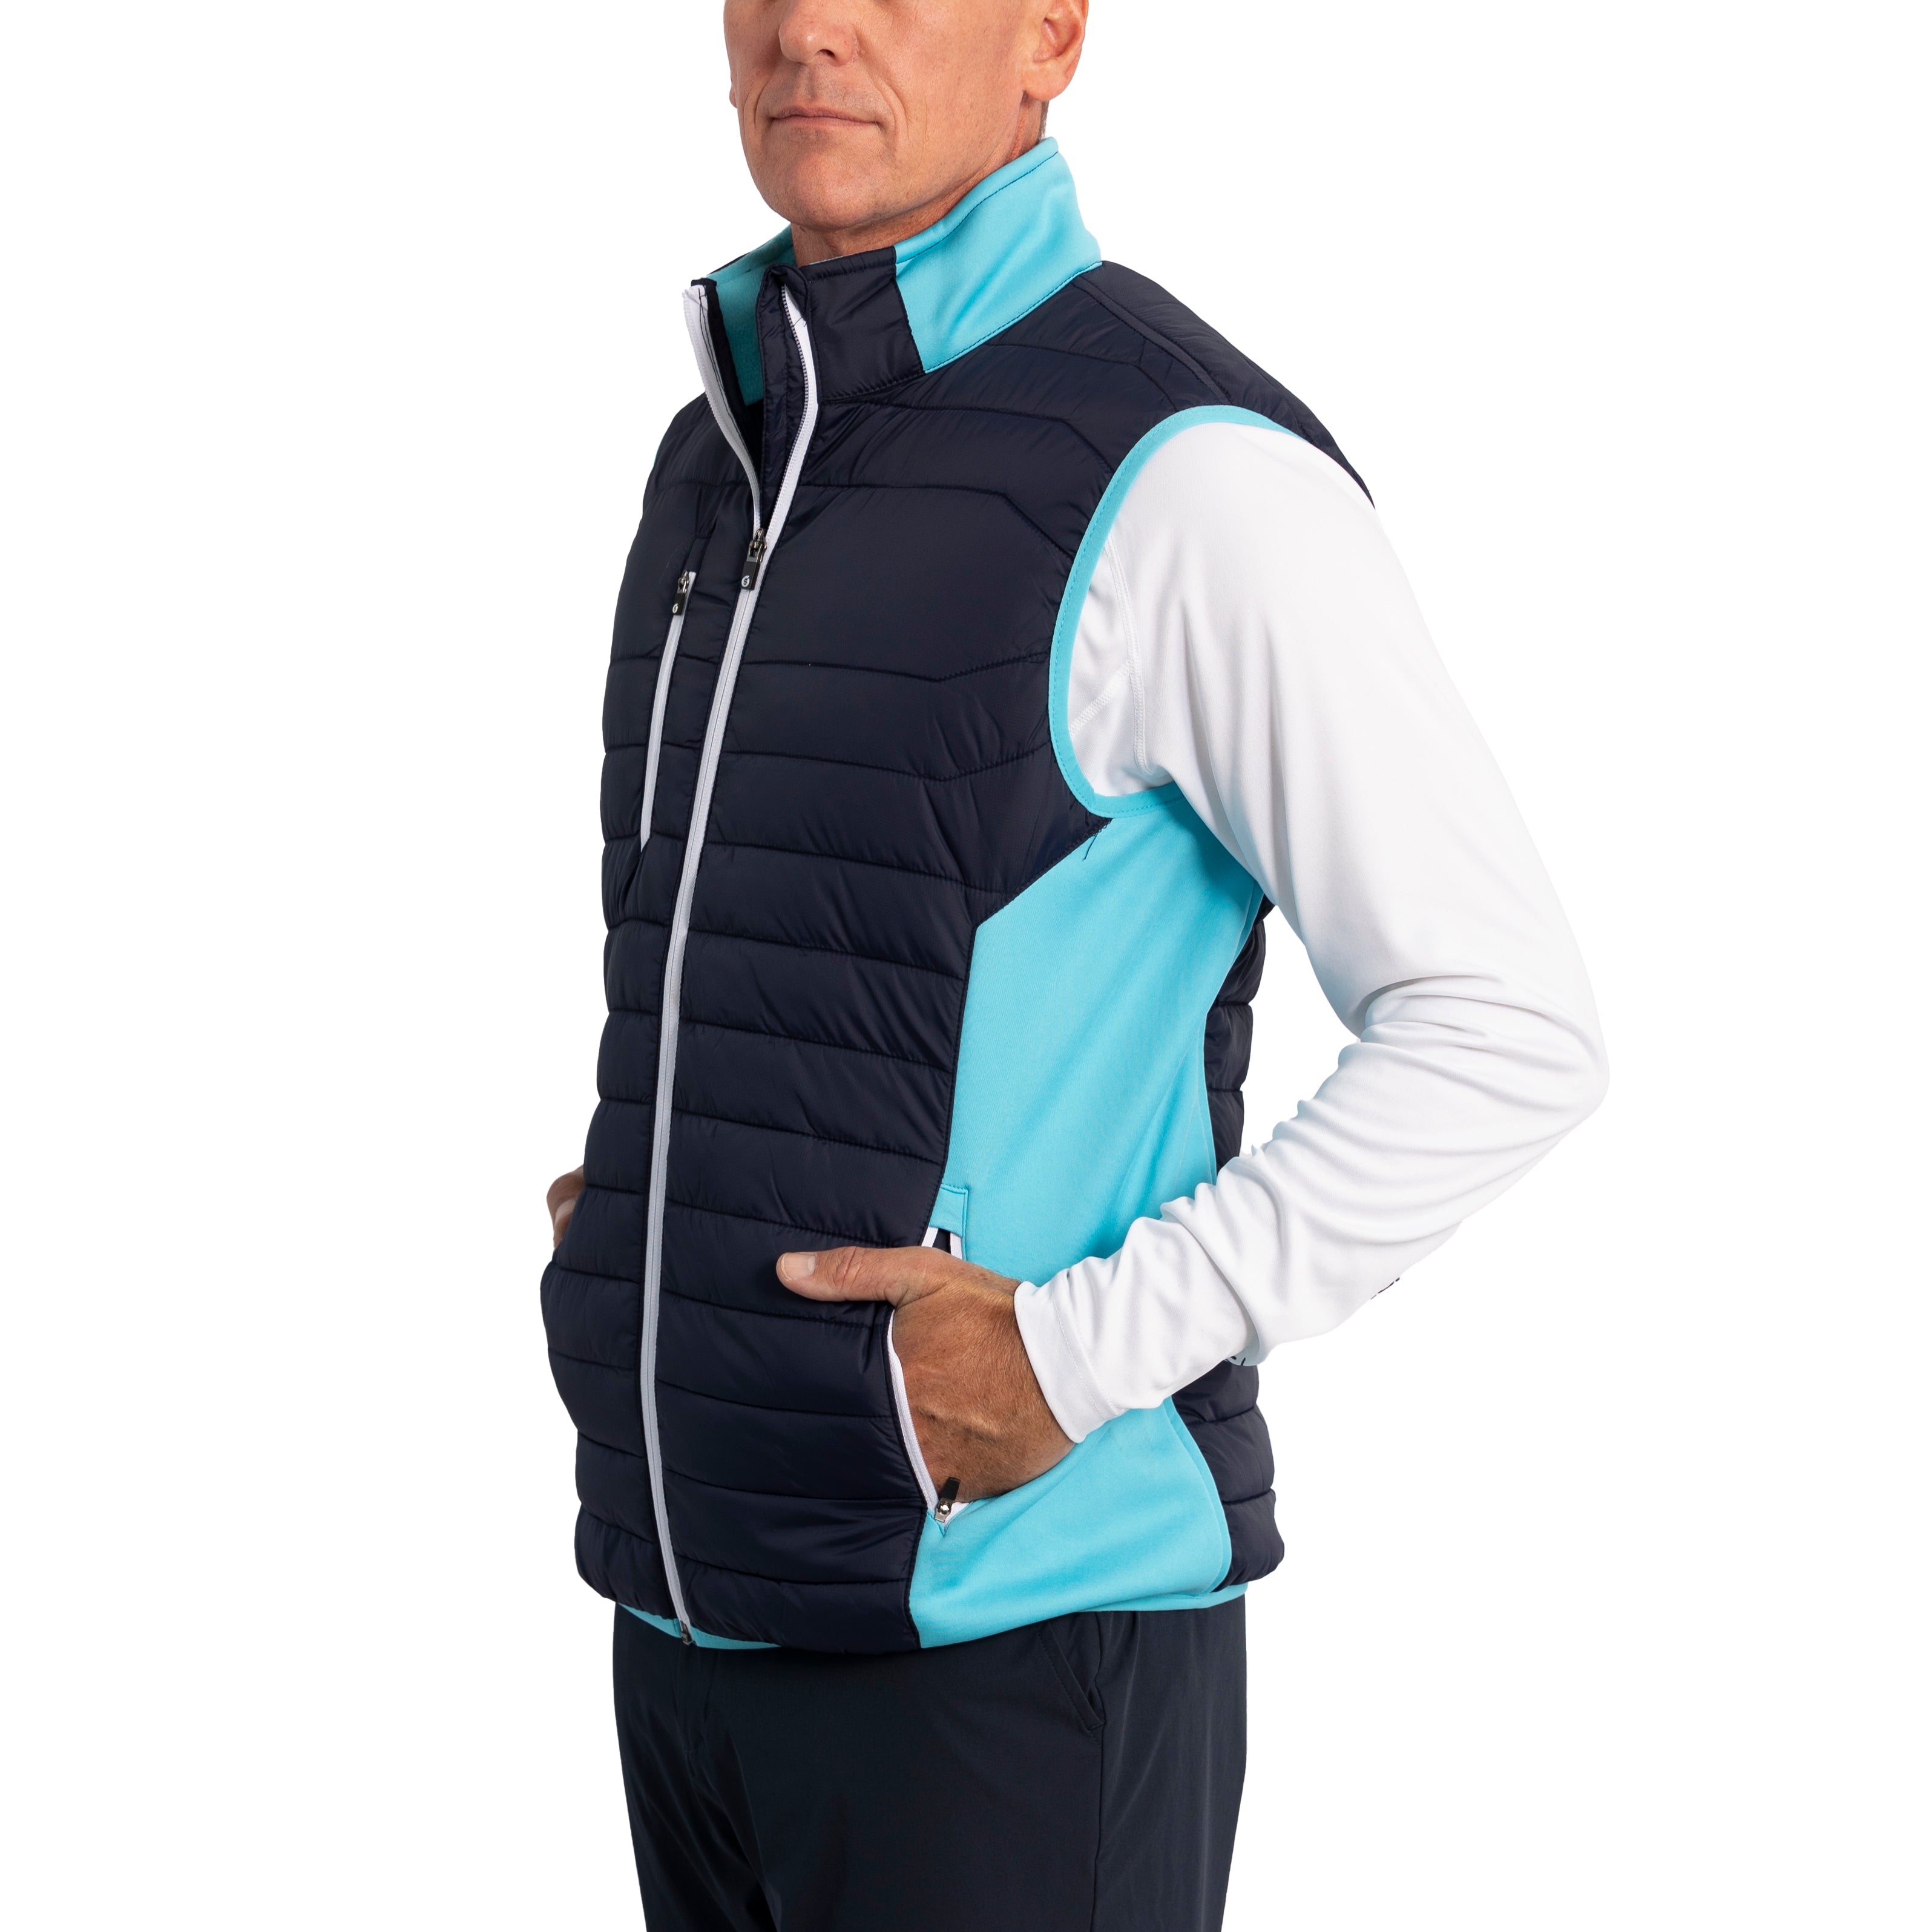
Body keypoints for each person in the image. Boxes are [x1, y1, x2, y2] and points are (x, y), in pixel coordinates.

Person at [540, 2, 1607, 1925]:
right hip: (690, 1619)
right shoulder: (719, 457)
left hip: (1015, 1654)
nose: (813, 27)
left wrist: (1065, 1357)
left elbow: (1505, 1026)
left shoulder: (1184, 476)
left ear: (1052, 34)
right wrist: (648, 1211)